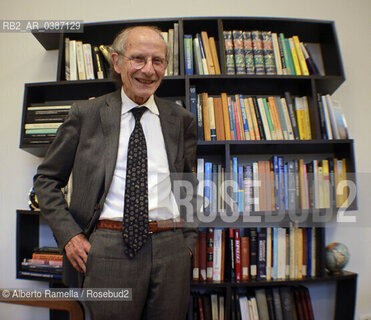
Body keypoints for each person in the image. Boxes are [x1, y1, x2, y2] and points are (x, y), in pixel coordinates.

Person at [33, 25, 198, 320]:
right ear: (117, 61)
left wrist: (187, 242)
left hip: (171, 249)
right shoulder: (86, 114)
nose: (149, 70)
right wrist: (70, 236)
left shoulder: (181, 120)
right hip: (108, 249)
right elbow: (46, 180)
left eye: (157, 61)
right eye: (139, 59)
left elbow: (188, 183)